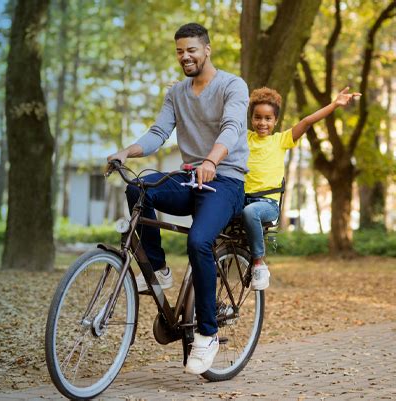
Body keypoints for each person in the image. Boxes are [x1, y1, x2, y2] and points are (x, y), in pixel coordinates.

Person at [107, 23, 249, 374]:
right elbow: (158, 133)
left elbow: (232, 127)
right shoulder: (177, 93)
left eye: (192, 50)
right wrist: (127, 151)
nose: (185, 56)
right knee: (138, 187)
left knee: (199, 241)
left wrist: (213, 161)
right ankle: (157, 268)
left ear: (207, 49)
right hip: (190, 179)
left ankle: (208, 334)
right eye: (180, 51)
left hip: (226, 180)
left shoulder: (232, 85)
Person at [243, 86, 361, 290]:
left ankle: (259, 263)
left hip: (266, 204)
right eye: (258, 117)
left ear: (275, 121)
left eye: (268, 118)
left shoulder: (280, 140)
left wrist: (334, 104)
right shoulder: (243, 137)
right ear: (251, 118)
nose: (262, 123)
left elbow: (307, 121)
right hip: (242, 199)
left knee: (250, 212)